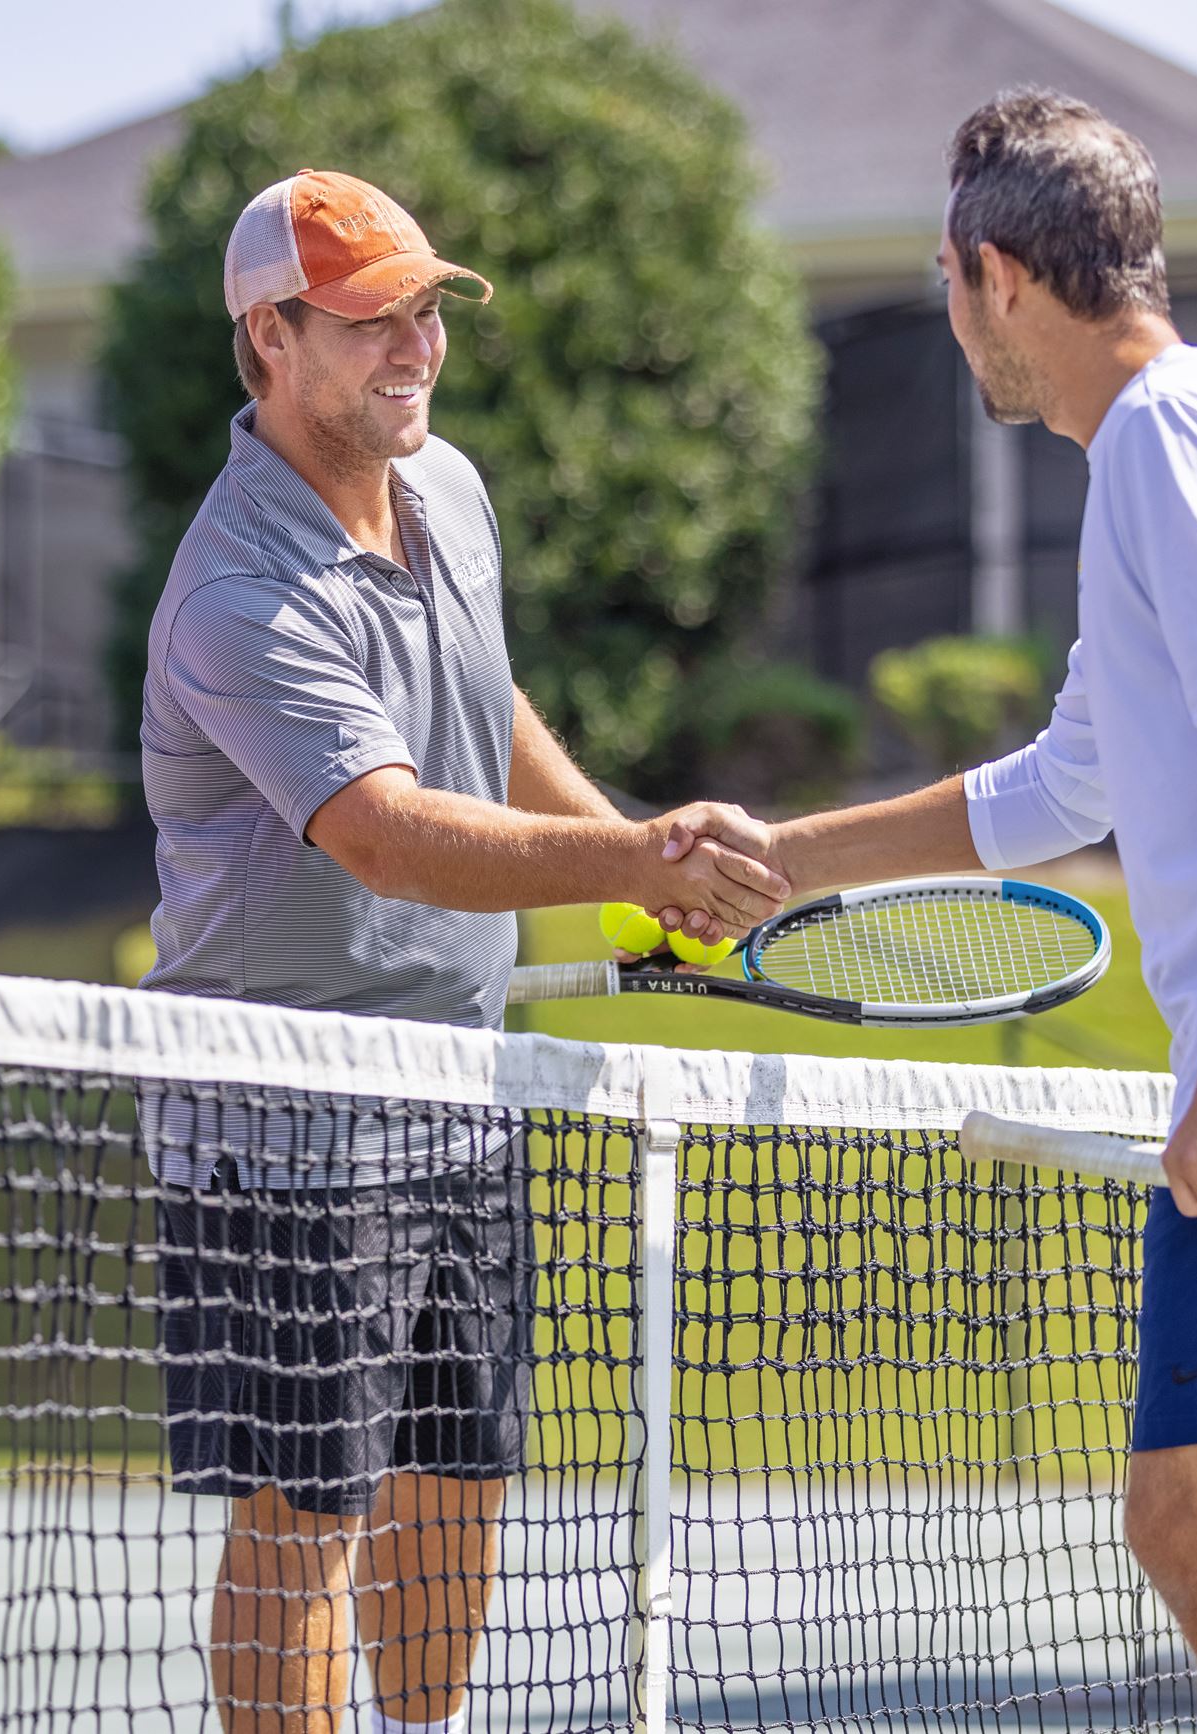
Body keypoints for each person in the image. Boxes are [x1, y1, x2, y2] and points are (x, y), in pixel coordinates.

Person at [669, 92, 1197, 1734]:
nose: (951, 317)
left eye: (946, 278)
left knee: (1196, 1531)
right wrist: (784, 857)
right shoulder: (1193, 433)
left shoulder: (1164, 436)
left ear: (998, 275)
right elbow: (1066, 782)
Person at [137, 169, 788, 1734]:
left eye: (426, 309)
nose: (413, 344)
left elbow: (482, 708)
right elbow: (388, 829)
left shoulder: (456, 493)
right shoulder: (239, 590)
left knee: (461, 1484)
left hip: (461, 1097)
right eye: (368, 320)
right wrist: (641, 853)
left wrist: (636, 877)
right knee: (305, 1524)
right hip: (280, 1124)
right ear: (269, 341)